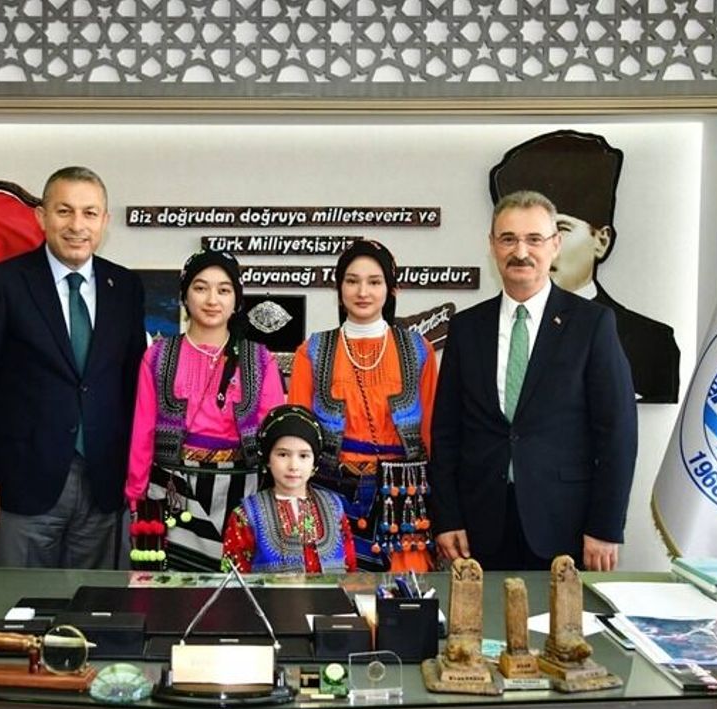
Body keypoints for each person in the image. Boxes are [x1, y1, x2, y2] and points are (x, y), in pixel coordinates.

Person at [429, 190, 637, 572]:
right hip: (478, 528)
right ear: (492, 245)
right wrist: (447, 517)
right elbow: (446, 433)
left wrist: (605, 526)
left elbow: (617, 434)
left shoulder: (592, 325)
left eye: (534, 239)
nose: (520, 251)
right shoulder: (466, 328)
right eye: (508, 239)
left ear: (555, 245)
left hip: (565, 526)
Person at [0, 166, 146, 569]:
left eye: (89, 213)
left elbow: (134, 387)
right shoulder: (3, 283)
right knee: (18, 602)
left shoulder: (126, 288)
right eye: (64, 211)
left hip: (103, 484)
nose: (77, 225)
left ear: (104, 221)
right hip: (23, 482)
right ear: (41, 217)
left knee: (93, 601)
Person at [491, 129, 681, 403]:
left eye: (560, 230)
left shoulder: (649, 342)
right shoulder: (477, 331)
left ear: (601, 240)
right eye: (514, 237)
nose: (533, 250)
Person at [125, 250, 285, 571]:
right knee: (172, 589)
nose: (212, 300)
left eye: (224, 290)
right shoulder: (158, 356)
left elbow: (276, 437)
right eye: (200, 288)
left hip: (243, 492)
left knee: (236, 589)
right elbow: (142, 432)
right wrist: (135, 495)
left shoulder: (260, 359)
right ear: (184, 296)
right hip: (171, 490)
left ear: (237, 300)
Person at [288, 239, 438, 572]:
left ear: (391, 289)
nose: (362, 292)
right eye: (352, 281)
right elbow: (297, 439)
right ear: (339, 288)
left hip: (402, 497)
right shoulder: (312, 351)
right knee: (332, 589)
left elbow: (432, 434)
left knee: (404, 591)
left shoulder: (418, 350)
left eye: (374, 281)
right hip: (330, 490)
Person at [222, 405, 356, 573]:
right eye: (283, 454)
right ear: (268, 458)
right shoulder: (246, 516)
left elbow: (350, 570)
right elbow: (233, 578)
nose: (293, 466)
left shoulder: (334, 507)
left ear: (314, 462)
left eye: (303, 456)